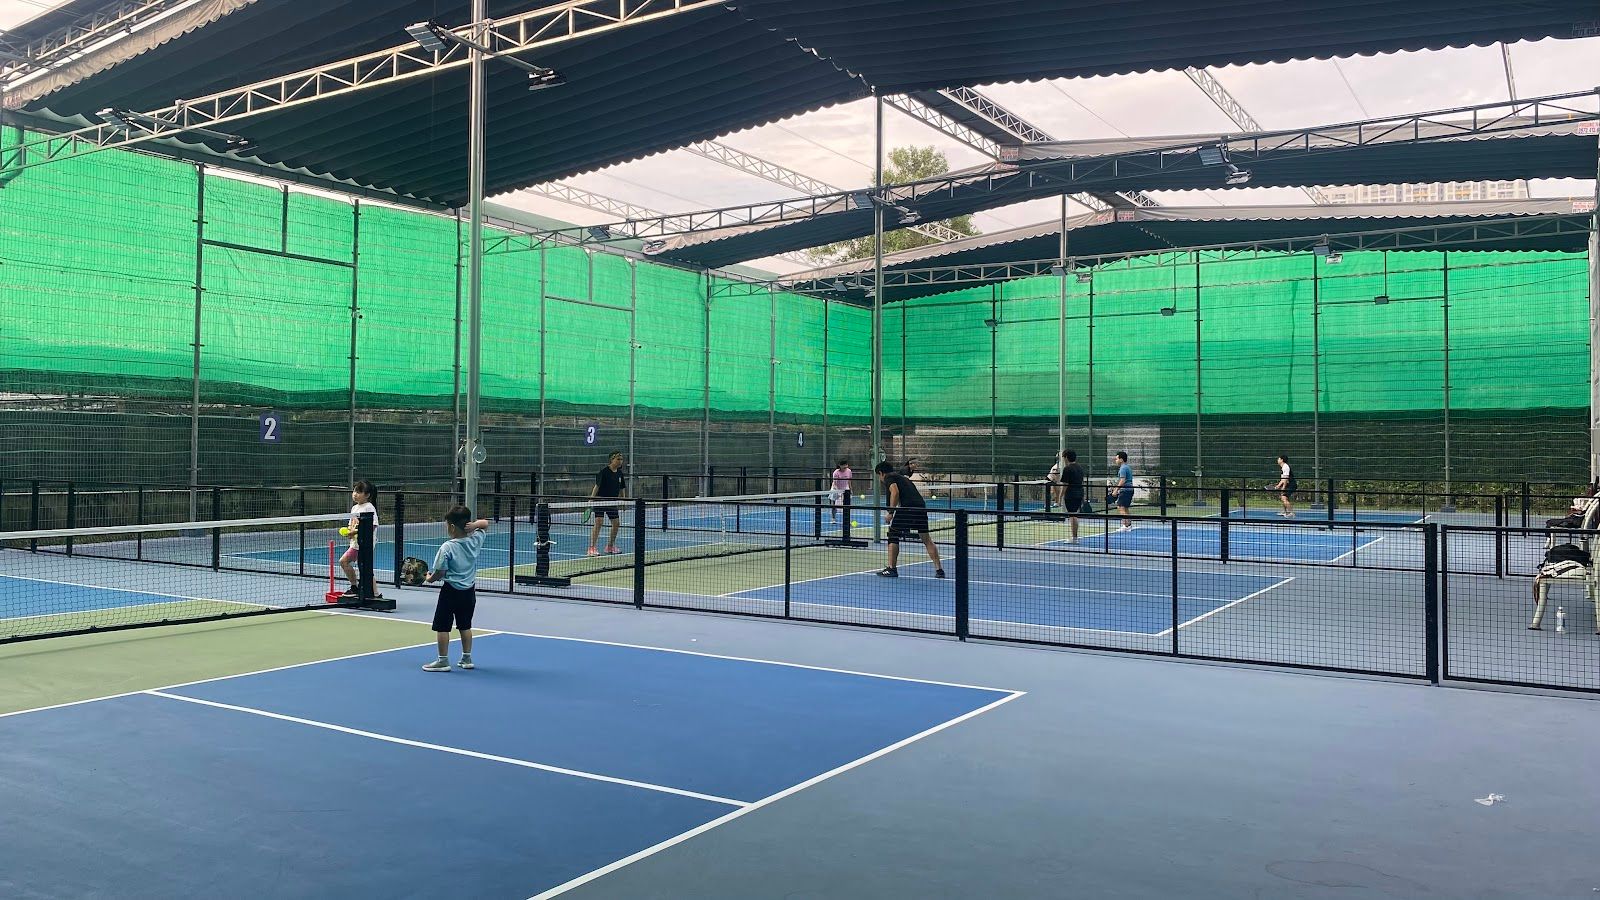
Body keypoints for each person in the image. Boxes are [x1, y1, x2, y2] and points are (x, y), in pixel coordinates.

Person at [422, 506, 489, 672]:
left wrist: (429, 579)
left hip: (450, 592)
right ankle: (467, 658)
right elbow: (485, 524)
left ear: (451, 527)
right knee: (465, 626)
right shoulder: (475, 540)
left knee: (442, 627)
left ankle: (443, 661)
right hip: (469, 592)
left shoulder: (447, 547)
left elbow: (440, 572)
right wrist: (475, 525)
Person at [874, 461, 944, 579]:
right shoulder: (903, 478)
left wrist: (890, 512)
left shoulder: (889, 477)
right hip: (921, 507)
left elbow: (895, 492)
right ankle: (939, 570)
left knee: (893, 535)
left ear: (881, 473)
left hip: (907, 508)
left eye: (878, 476)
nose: (879, 479)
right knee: (926, 539)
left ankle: (891, 569)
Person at [339, 480, 378, 597]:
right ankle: (375, 593)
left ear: (367, 495)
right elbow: (352, 524)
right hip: (355, 543)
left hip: (364, 544)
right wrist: (349, 533)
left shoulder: (369, 507)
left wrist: (355, 532)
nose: (355, 494)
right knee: (365, 568)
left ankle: (355, 587)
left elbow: (372, 526)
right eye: (354, 491)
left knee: (344, 561)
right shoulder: (354, 508)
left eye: (359, 492)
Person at [587, 451, 628, 556]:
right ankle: (591, 548)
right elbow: (597, 486)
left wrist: (623, 501)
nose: (620, 461)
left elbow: (622, 488)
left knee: (616, 523)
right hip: (600, 501)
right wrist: (591, 499)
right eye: (618, 459)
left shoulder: (619, 473)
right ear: (611, 459)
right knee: (599, 522)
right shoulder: (604, 472)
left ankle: (610, 546)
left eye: (621, 459)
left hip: (612, 502)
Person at [1051, 450, 1086, 543]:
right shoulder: (1079, 467)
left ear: (1066, 457)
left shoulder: (1067, 469)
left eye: (1063, 457)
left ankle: (1074, 538)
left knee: (1072, 515)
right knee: (1074, 515)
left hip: (1071, 495)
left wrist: (1059, 497)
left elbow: (1065, 485)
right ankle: (1074, 537)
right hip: (1079, 493)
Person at [1112, 451, 1135, 532]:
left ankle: (1125, 525)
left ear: (1121, 459)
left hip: (1125, 490)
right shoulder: (1127, 467)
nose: (1116, 460)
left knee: (1120, 507)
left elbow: (1122, 480)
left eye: (1117, 459)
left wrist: (1116, 490)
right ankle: (1128, 525)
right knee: (1125, 508)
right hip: (1130, 490)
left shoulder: (1123, 468)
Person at [828, 458, 853, 524]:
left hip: (845, 488)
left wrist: (850, 489)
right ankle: (833, 518)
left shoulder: (849, 471)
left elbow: (849, 481)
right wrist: (838, 492)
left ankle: (847, 519)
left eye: (846, 465)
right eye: (843, 465)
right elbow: (835, 483)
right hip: (835, 489)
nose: (845, 466)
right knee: (833, 505)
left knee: (847, 505)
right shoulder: (836, 472)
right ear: (840, 465)